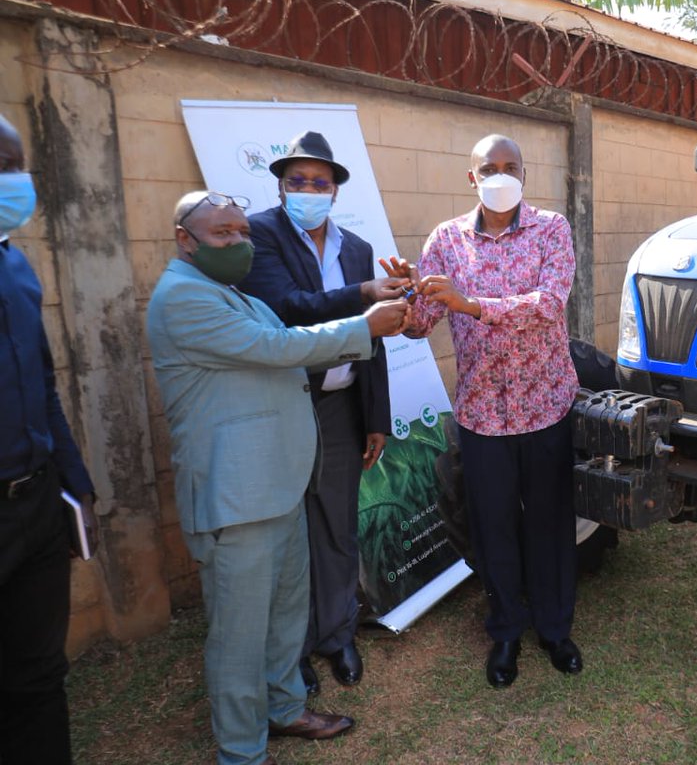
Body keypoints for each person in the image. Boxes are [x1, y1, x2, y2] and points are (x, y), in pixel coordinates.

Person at [146, 190, 410, 765]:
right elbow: (276, 348)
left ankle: (285, 709)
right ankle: (242, 750)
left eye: (243, 231)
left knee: (285, 611)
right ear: (184, 238)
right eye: (224, 233)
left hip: (277, 484)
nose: (240, 241)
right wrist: (365, 324)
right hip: (236, 497)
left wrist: (387, 323)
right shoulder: (183, 299)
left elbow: (296, 345)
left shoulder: (234, 294)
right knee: (240, 633)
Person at [394, 134, 582, 689]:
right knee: (492, 526)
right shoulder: (446, 240)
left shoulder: (552, 230)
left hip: (545, 403)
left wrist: (471, 303)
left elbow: (549, 305)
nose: (500, 175)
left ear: (525, 174)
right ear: (470, 178)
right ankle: (505, 631)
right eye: (489, 168)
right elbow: (420, 322)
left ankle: (554, 628)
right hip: (481, 412)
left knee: (549, 523)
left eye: (510, 166)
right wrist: (409, 293)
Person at [241, 131, 407, 695]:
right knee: (289, 536)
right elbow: (287, 309)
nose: (309, 190)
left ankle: (337, 636)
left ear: (335, 190)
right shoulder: (259, 235)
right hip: (285, 406)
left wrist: (376, 417)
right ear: (281, 186)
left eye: (320, 181)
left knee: (338, 527)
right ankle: (294, 649)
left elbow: (375, 341)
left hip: (341, 411)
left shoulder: (356, 247)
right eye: (298, 181)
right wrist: (364, 294)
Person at [0, 114, 98, 765]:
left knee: (38, 677)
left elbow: (44, 385)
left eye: (15, 165)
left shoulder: (17, 266)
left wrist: (76, 485)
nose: (14, 180)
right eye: (2, 166)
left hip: (36, 504)